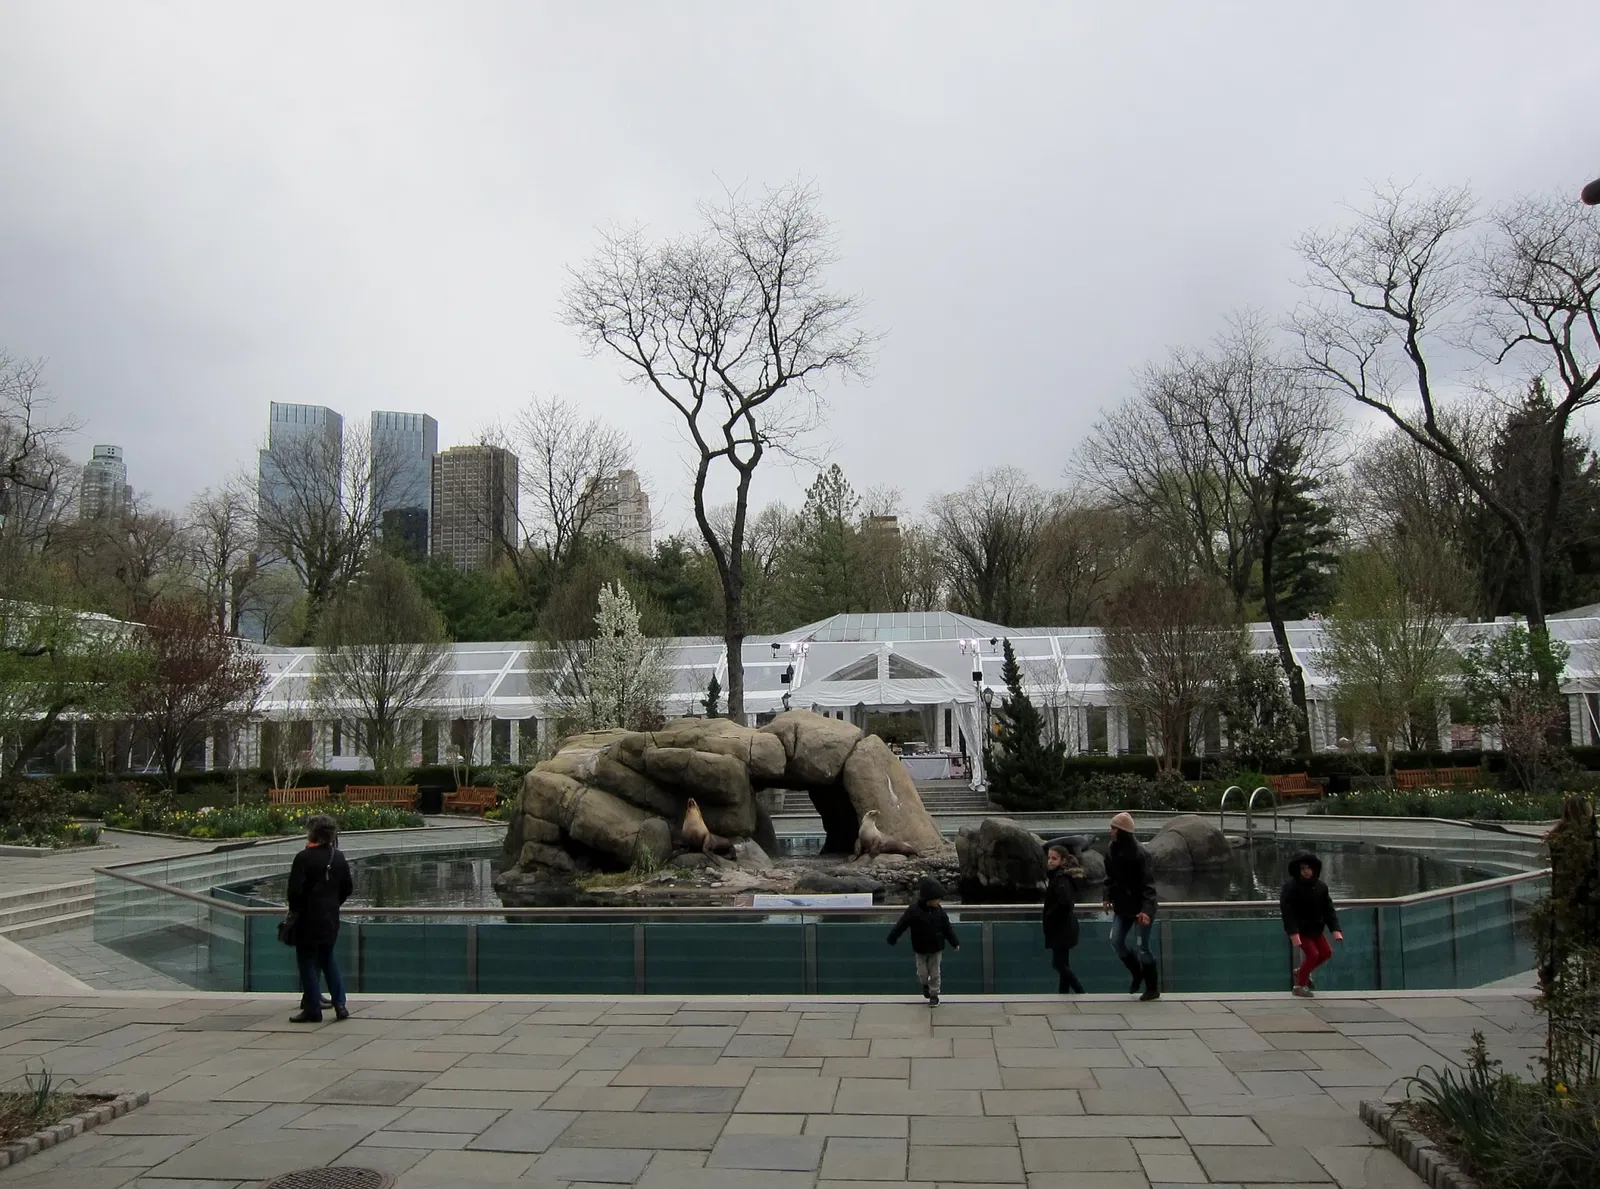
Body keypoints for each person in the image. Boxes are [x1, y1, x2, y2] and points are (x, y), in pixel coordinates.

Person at [286, 813, 353, 1023]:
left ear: (312, 832)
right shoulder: (339, 856)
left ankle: (313, 1009)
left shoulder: (303, 858)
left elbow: (294, 892)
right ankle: (340, 1003)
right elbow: (347, 887)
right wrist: (333, 904)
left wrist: (295, 912)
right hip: (330, 917)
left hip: (307, 918)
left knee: (306, 961)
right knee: (328, 958)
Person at [1103, 811, 1160, 1001]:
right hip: (1122, 906)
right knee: (1116, 940)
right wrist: (1107, 895)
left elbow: (1148, 885)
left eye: (1114, 828)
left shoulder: (1140, 854)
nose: (1111, 832)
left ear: (1122, 831)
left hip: (1140, 907)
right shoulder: (1111, 850)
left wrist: (1146, 910)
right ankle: (1137, 972)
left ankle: (1152, 987)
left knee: (1143, 946)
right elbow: (1109, 877)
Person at [887, 876, 961, 1006]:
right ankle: (925, 984)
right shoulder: (913, 911)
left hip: (936, 948)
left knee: (935, 973)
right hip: (920, 948)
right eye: (937, 898)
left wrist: (954, 942)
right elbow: (902, 924)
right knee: (922, 973)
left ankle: (934, 995)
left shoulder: (939, 911)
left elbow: (947, 928)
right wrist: (893, 937)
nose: (939, 901)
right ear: (929, 898)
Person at [1279, 851, 1342, 998]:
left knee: (1326, 953)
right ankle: (1299, 986)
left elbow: (1328, 910)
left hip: (1316, 929)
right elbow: (1287, 912)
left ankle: (1301, 972)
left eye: (1308, 868)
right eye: (1302, 869)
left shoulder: (1321, 887)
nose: (1306, 871)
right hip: (1300, 929)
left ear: (1314, 869)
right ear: (1298, 871)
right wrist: (1293, 932)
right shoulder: (1291, 888)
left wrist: (1335, 929)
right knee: (1313, 954)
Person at [1042, 842, 1086, 994]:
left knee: (1058, 964)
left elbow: (1065, 903)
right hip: (1065, 926)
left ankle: (1081, 992)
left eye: (1054, 858)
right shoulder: (1063, 877)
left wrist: (1049, 916)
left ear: (1062, 861)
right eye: (1049, 858)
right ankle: (1064, 993)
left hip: (1061, 928)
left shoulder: (1061, 880)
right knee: (1063, 962)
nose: (1050, 861)